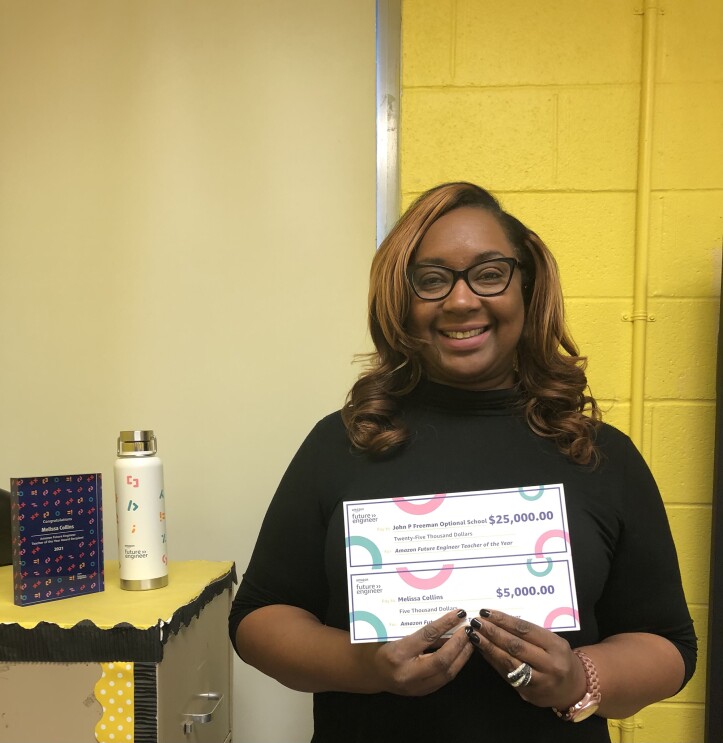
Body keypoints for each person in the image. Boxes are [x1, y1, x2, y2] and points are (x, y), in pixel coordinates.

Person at [229, 182, 696, 742]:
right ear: (401, 301)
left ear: (526, 283)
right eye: (431, 280)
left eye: (489, 273)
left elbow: (668, 645)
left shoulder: (600, 454)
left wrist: (579, 679)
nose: (460, 300)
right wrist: (368, 668)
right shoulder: (344, 444)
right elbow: (258, 618)